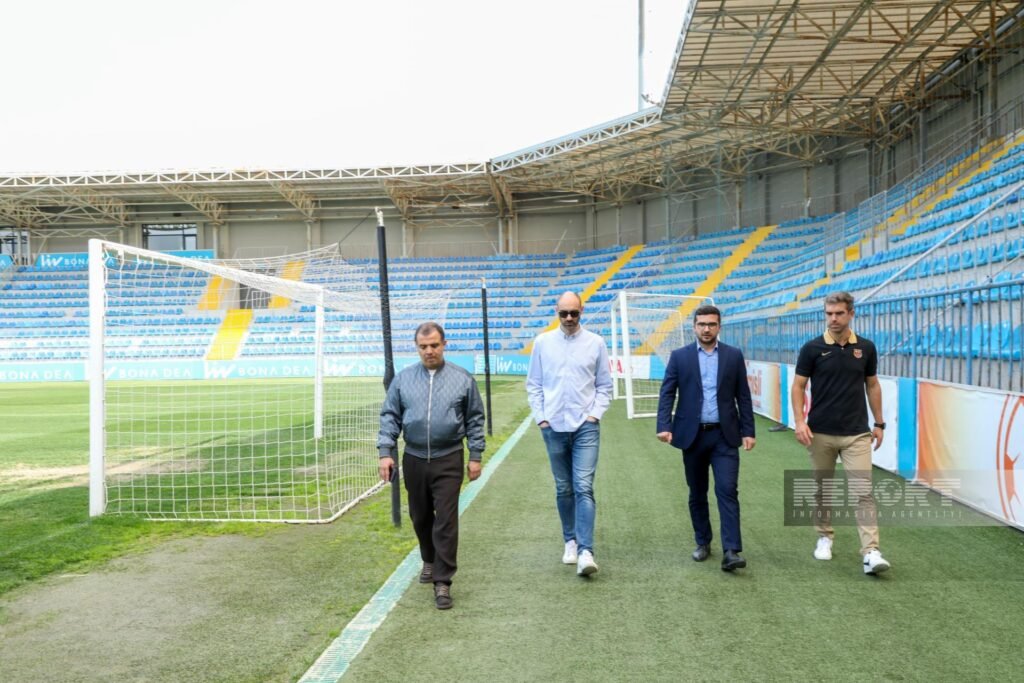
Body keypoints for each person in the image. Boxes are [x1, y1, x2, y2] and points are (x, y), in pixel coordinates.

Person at [377, 322, 486, 609]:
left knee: (446, 520)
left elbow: (475, 419)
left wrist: (475, 455)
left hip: (448, 457)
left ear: (444, 345)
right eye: (423, 346)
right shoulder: (403, 380)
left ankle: (442, 581)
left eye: (434, 345)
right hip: (413, 458)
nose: (429, 351)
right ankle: (428, 558)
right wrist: (386, 451)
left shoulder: (462, 379)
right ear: (417, 348)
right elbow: (390, 416)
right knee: (420, 516)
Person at [791, 291, 890, 576]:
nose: (833, 319)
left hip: (857, 433)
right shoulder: (812, 348)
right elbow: (798, 386)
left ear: (851, 313)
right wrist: (799, 421)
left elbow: (872, 385)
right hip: (820, 432)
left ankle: (870, 552)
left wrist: (879, 423)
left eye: (839, 313)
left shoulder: (866, 348)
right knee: (822, 490)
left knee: (863, 492)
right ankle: (825, 536)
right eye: (829, 314)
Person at [656, 305, 756, 572]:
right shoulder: (680, 356)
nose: (707, 329)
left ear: (719, 326)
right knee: (697, 492)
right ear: (694, 327)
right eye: (702, 324)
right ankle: (703, 541)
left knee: (727, 490)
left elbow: (743, 395)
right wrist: (664, 425)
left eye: (711, 324)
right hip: (692, 436)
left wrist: (748, 430)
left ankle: (731, 550)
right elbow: (667, 392)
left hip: (725, 436)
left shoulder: (733, 356)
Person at [526, 291, 612, 577]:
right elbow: (534, 384)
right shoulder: (543, 343)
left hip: (585, 426)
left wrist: (593, 415)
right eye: (564, 313)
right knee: (564, 487)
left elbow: (604, 385)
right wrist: (541, 419)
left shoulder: (596, 343)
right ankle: (570, 541)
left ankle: (586, 551)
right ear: (557, 312)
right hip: (553, 426)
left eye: (574, 313)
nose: (569, 318)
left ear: (582, 311)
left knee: (583, 486)